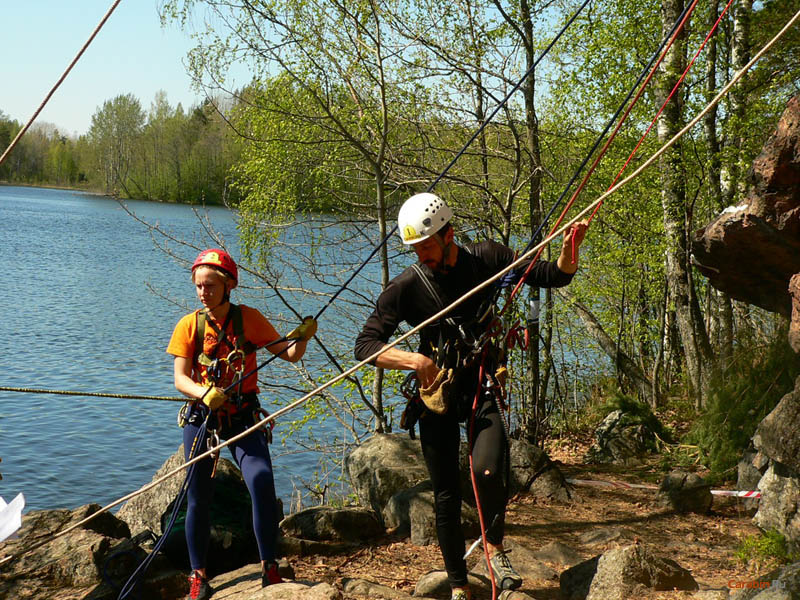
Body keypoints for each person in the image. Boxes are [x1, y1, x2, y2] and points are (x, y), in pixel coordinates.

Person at [354, 193, 587, 600]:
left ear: (449, 235)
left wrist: (570, 251)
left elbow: (554, 275)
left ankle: (494, 548)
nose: (421, 255)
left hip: (481, 382)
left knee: (487, 471)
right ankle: (458, 584)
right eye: (415, 249)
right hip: (437, 393)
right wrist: (415, 361)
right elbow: (366, 346)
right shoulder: (407, 287)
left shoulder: (487, 259)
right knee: (445, 491)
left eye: (426, 246)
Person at [167, 248, 317, 600]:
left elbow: (290, 355)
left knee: (262, 481)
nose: (204, 292)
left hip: (242, 416)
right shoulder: (190, 325)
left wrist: (303, 336)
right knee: (198, 496)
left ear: (228, 286)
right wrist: (204, 393)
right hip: (202, 418)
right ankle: (199, 575)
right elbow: (179, 378)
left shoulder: (248, 319)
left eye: (211, 286)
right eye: (199, 286)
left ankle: (269, 566)